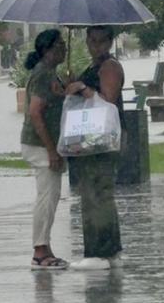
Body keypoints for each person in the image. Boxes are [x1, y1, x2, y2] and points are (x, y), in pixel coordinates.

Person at [66, 25, 125, 270]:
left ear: (110, 42)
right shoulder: (93, 66)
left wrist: (83, 88)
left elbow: (108, 99)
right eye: (92, 40)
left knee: (96, 194)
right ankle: (108, 249)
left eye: (101, 41)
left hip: (101, 140)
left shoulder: (110, 67)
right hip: (90, 139)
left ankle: (99, 251)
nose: (96, 46)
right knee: (93, 192)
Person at [20, 29, 69, 270]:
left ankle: (45, 246)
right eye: (59, 45)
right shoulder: (42, 76)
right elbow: (35, 112)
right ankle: (40, 251)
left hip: (49, 143)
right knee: (47, 197)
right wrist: (51, 149)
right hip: (41, 144)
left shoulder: (51, 74)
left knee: (51, 195)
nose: (64, 49)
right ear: (46, 50)